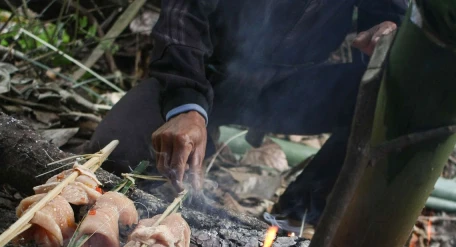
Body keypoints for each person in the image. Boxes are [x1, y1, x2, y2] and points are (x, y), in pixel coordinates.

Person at [86, 0, 408, 225]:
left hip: (292, 86)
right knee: (113, 158)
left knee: (391, 94)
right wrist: (188, 105)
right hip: (206, 73)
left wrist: (388, 30)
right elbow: (182, 17)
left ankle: (297, 217)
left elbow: (386, 14)